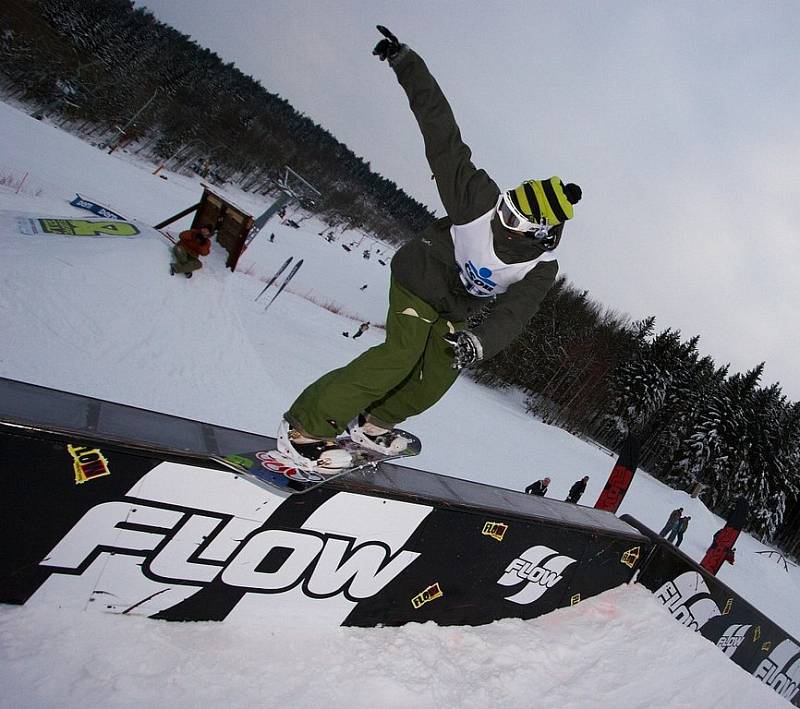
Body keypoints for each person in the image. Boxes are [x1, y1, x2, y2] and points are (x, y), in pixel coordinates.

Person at [276, 26, 582, 470]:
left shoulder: (541, 268)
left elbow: (514, 314)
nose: (502, 218)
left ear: (540, 232)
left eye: (514, 219)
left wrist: (478, 342)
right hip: (419, 277)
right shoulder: (477, 199)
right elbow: (441, 133)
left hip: (453, 309)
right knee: (399, 357)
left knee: (440, 369)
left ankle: (374, 424)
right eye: (507, 206)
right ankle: (306, 428)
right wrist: (406, 63)